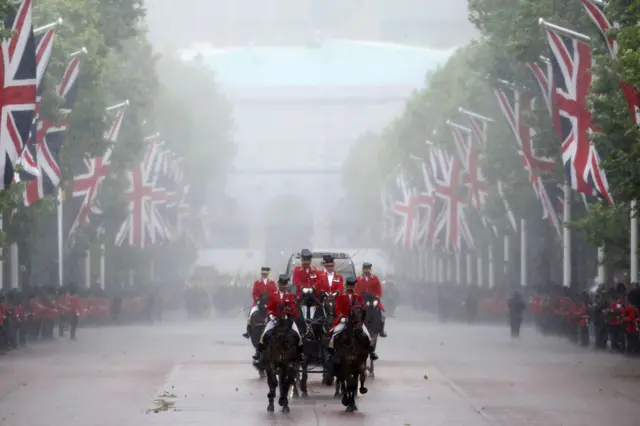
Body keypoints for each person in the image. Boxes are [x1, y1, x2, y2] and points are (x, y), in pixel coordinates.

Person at [253, 275, 304, 362]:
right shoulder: (273, 295)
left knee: (298, 335)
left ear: (287, 286)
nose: (283, 287)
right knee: (264, 334)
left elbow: (293, 308)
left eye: (284, 285)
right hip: (275, 319)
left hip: (287, 320)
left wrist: (289, 312)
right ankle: (259, 352)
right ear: (278, 285)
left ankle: (300, 354)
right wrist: (271, 315)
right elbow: (269, 307)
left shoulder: (290, 296)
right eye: (281, 285)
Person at [327, 277, 377, 360]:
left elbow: (362, 308)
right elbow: (337, 309)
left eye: (352, 286)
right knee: (334, 333)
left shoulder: (358, 297)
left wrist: (360, 316)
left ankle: (371, 352)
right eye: (349, 286)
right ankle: (331, 352)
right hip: (344, 319)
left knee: (367, 335)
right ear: (346, 286)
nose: (350, 288)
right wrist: (342, 317)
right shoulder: (340, 296)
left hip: (356, 321)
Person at [243, 266, 277, 339]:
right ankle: (248, 331)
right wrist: (257, 300)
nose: (264, 275)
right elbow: (254, 293)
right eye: (263, 274)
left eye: (265, 274)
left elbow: (275, 293)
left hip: (269, 304)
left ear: (268, 274)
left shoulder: (272, 283)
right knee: (250, 314)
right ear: (261, 274)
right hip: (258, 303)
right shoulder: (257, 283)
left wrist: (272, 301)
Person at [355, 262, 387, 337]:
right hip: (362, 300)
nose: (366, 272)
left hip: (373, 300)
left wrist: (376, 300)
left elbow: (379, 291)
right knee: (354, 312)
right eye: (365, 271)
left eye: (368, 270)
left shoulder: (375, 278)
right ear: (363, 271)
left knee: (381, 314)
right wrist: (359, 300)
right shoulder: (358, 279)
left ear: (370, 270)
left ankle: (381, 330)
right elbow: (356, 291)